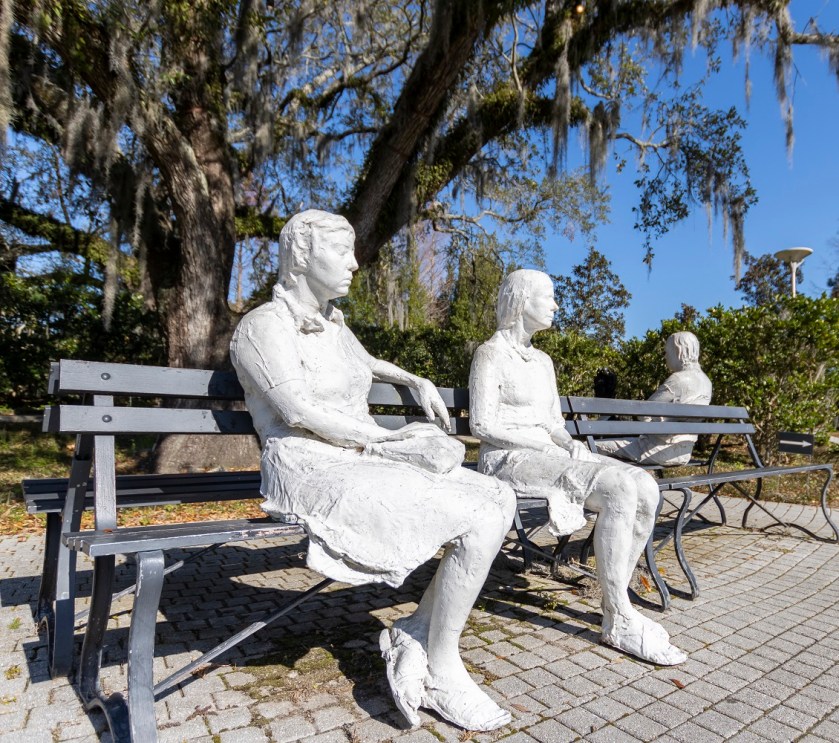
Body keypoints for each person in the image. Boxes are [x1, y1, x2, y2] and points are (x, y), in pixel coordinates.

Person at [230, 210, 516, 731]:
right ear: (301, 256)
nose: (355, 264)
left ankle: (418, 631)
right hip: (308, 466)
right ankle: (442, 667)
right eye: (342, 251)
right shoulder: (262, 327)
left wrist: (416, 381)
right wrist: (388, 442)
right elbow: (298, 410)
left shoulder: (335, 326)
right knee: (473, 513)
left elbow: (368, 363)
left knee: (500, 496)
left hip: (358, 455)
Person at [468, 269, 686, 665]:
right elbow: (482, 425)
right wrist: (543, 446)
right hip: (508, 458)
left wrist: (570, 444)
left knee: (645, 486)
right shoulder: (491, 353)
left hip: (548, 453)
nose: (555, 305)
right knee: (618, 487)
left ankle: (615, 601)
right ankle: (619, 616)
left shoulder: (543, 361)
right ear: (521, 301)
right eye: (548, 297)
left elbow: (554, 424)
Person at [596, 332, 712, 466]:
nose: (665, 356)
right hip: (684, 453)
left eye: (667, 352)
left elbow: (644, 413)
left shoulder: (678, 379)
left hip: (655, 451)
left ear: (678, 351)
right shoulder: (706, 382)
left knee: (590, 446)